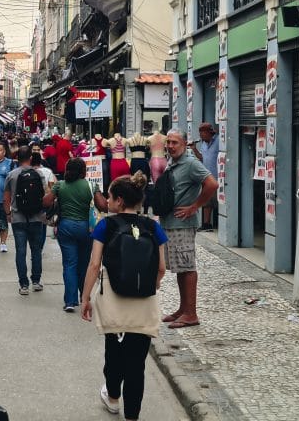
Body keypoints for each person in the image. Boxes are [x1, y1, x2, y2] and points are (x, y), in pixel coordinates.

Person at [80, 172, 168, 421]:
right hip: (144, 305)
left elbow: (94, 265)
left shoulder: (105, 226)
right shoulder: (153, 227)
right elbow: (161, 267)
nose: (106, 201)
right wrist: (150, 286)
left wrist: (85, 298)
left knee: (114, 355)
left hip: (114, 302)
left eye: (109, 196)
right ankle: (132, 416)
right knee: (136, 365)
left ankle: (113, 398)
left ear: (119, 201)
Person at [160, 130, 218, 329]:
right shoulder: (173, 161)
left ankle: (191, 314)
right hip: (170, 223)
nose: (170, 145)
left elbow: (212, 184)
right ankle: (182, 309)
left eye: (175, 142)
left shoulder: (191, 163)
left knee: (187, 267)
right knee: (179, 269)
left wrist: (195, 206)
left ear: (184, 143)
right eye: (168, 142)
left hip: (182, 225)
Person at [43, 158, 107, 312]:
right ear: (83, 171)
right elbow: (103, 206)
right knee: (84, 264)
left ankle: (70, 301)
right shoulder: (91, 185)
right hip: (86, 228)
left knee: (69, 264)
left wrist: (53, 193)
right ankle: (83, 296)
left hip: (65, 227)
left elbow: (45, 202)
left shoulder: (60, 185)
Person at [4, 146, 48, 295]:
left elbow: (6, 197)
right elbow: (45, 195)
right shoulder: (39, 174)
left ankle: (23, 284)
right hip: (36, 217)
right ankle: (36, 281)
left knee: (20, 251)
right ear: (30, 158)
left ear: (17, 158)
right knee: (36, 250)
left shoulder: (11, 175)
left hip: (18, 218)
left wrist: (8, 213)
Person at [189, 123, 219, 231]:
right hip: (207, 177)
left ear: (209, 133)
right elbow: (201, 158)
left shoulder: (219, 141)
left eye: (202, 133)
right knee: (207, 201)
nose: (200, 136)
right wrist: (194, 149)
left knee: (218, 201)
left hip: (219, 176)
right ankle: (207, 223)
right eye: (200, 133)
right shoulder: (203, 144)